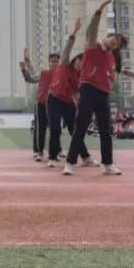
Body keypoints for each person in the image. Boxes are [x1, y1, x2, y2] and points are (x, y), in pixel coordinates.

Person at [63, 0, 125, 176]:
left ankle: (108, 164)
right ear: (108, 37)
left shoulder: (110, 58)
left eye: (117, 44)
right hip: (88, 89)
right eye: (114, 39)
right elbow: (91, 29)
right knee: (81, 126)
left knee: (106, 129)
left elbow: (111, 76)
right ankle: (69, 163)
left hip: (103, 94)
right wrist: (100, 10)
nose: (114, 43)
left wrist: (111, 79)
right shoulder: (92, 45)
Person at [45, 21, 92, 168]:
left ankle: (85, 158)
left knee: (75, 130)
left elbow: (77, 92)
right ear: (75, 60)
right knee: (55, 129)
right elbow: (67, 48)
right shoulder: (64, 63)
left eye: (83, 64)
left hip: (67, 102)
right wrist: (74, 33)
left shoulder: (80, 76)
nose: (80, 65)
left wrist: (78, 101)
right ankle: (52, 158)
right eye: (79, 61)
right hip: (53, 99)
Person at [21, 49, 59, 162]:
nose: (54, 63)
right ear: (49, 62)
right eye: (52, 61)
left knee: (55, 130)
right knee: (40, 129)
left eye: (56, 61)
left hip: (55, 105)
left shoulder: (61, 74)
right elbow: (31, 75)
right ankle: (39, 152)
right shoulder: (44, 73)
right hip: (41, 104)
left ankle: (54, 153)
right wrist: (26, 61)